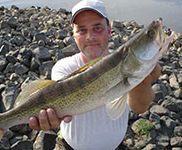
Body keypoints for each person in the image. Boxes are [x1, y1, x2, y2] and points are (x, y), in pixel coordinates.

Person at [29, 0, 161, 149]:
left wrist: (143, 78)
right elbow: (52, 104)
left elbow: (139, 107)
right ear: (73, 34)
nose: (90, 36)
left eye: (97, 28)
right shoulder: (64, 68)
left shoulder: (126, 67)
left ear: (109, 30)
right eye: (82, 30)